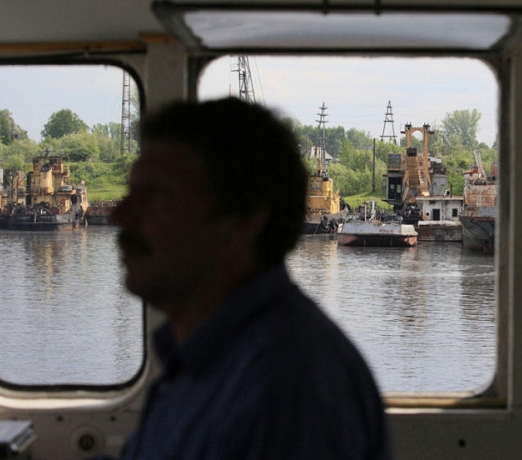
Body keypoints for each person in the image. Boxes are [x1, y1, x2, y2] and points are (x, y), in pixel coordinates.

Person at [112, 98, 391, 459]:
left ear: (244, 219)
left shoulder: (287, 388)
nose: (119, 215)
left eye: (155, 197)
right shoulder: (206, 360)